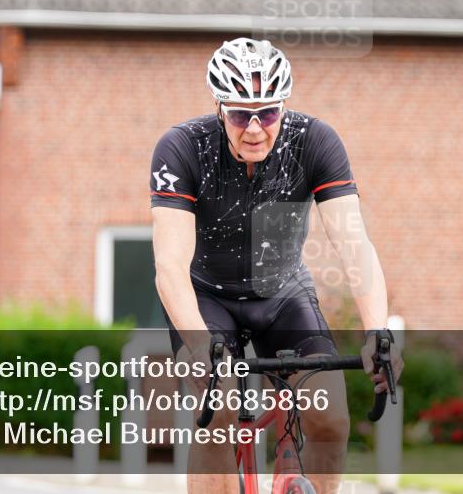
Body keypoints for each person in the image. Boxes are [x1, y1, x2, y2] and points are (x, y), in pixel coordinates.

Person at [150, 38, 402, 494]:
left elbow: (353, 245)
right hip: (205, 297)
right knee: (218, 411)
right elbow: (169, 266)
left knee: (330, 416)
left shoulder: (314, 141)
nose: (253, 128)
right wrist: (201, 348)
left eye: (267, 113)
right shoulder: (182, 148)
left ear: (283, 108)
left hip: (281, 295)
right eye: (239, 114)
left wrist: (377, 332)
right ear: (219, 106)